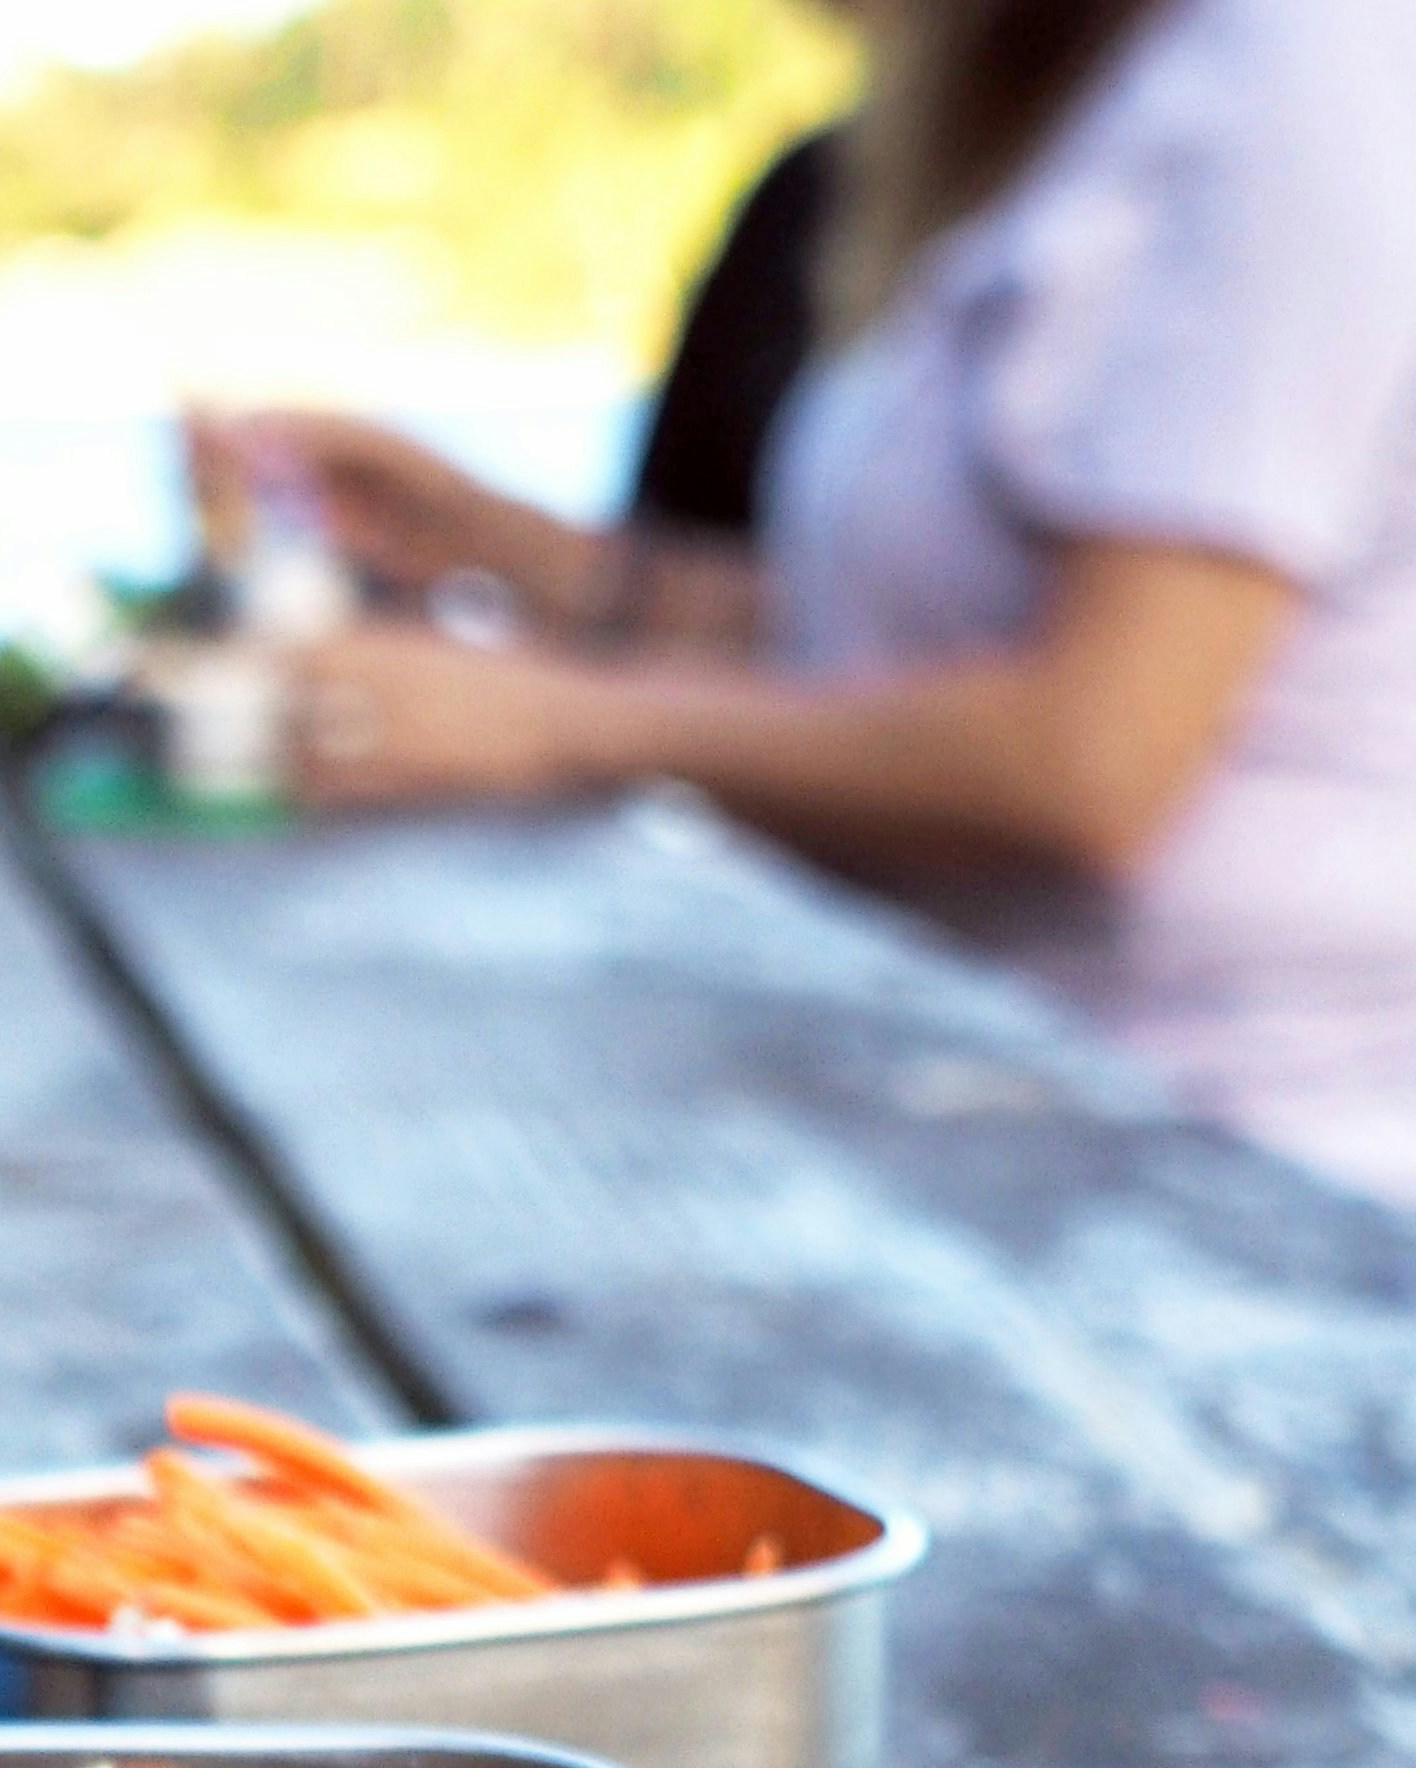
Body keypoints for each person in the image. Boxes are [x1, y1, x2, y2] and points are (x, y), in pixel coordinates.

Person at [203, 0, 1416, 1210]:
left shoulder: (1293, 59)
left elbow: (1090, 761)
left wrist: (547, 722)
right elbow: (899, 632)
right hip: (970, 1097)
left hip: (1244, 1180)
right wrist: (497, 543)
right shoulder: (1049, 101)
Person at [194, 126, 840, 664]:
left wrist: (535, 727)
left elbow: (913, 689)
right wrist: (470, 528)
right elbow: (827, 628)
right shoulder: (812, 186)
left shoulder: (841, 193)